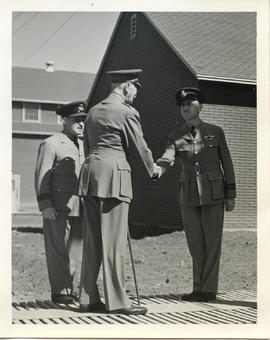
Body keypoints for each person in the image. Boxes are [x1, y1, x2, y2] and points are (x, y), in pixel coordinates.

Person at [77, 69, 160, 315]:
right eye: (135, 90)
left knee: (92, 242)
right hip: (114, 177)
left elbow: (88, 145)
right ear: (126, 86)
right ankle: (117, 302)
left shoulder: (92, 111)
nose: (136, 96)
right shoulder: (126, 111)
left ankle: (88, 299)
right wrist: (152, 169)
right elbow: (141, 146)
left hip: (90, 174)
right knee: (114, 242)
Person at [156, 87, 236, 302]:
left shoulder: (215, 131)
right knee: (195, 243)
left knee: (212, 242)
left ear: (200, 107)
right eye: (182, 105)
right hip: (189, 194)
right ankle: (197, 288)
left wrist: (231, 193)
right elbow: (168, 156)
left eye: (189, 105)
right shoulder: (175, 135)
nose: (184, 108)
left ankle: (209, 290)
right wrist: (159, 169)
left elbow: (226, 162)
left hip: (214, 193)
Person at [34, 101, 86, 304]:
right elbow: (41, 175)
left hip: (79, 205)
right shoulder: (51, 143)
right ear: (63, 120)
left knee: (75, 249)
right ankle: (60, 291)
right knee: (58, 250)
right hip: (56, 206)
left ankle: (68, 288)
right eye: (76, 120)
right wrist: (45, 204)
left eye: (83, 120)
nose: (81, 124)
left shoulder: (85, 144)